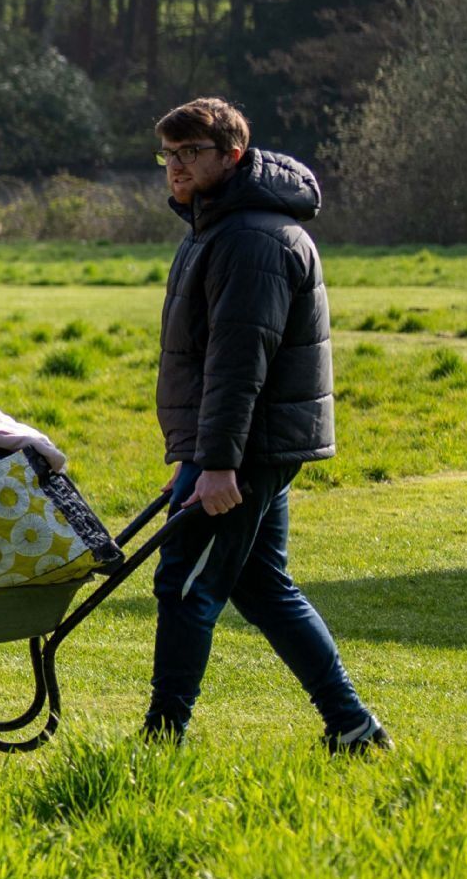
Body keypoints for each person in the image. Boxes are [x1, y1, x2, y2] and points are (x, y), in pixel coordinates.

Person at [146, 98, 387, 753]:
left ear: (233, 156)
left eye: (191, 153)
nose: (176, 168)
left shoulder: (251, 238)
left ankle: (160, 743)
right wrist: (193, 457)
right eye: (169, 154)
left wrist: (218, 463)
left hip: (246, 445)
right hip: (236, 442)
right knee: (261, 585)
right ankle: (353, 726)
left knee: (185, 583)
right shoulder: (216, 228)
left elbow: (237, 363)